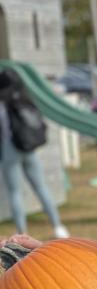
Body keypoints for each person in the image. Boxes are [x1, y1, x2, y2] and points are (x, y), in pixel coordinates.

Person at [0, 68, 69, 238]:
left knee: (15, 192)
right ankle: (58, 226)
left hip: (10, 150)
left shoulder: (2, 104)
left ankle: (22, 232)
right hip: (29, 149)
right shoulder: (24, 98)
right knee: (41, 187)